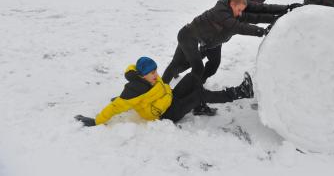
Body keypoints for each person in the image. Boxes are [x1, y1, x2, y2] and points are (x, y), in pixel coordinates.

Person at [161, 0, 270, 116]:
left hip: (200, 38)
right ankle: (163, 90)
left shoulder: (235, 7)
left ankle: (190, 96)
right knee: (192, 68)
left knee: (191, 66)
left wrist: (280, 13)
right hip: (189, 36)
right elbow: (240, 27)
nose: (241, 12)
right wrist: (262, 31)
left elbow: (255, 17)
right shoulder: (226, 9)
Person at [75, 56, 254, 126]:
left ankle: (199, 105)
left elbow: (137, 69)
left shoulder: (148, 75)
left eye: (156, 71)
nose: (156, 75)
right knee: (198, 94)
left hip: (170, 98)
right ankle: (240, 92)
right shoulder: (134, 91)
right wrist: (96, 120)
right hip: (166, 114)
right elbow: (115, 107)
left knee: (192, 77)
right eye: (152, 73)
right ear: (142, 76)